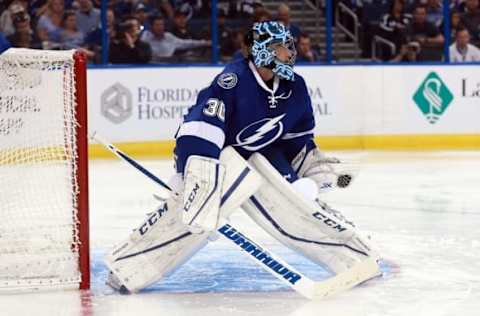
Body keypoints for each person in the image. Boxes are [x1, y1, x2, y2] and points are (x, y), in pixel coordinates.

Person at [105, 21, 380, 294]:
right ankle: (127, 268)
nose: (290, 53)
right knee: (192, 209)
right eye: (282, 47)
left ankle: (354, 256)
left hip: (266, 155)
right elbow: (200, 128)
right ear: (263, 51)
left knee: (296, 204)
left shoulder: (296, 87)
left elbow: (297, 140)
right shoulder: (233, 81)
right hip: (220, 158)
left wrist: (302, 179)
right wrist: (188, 175)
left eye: (289, 46)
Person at [140, 15, 210, 62]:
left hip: (169, 65)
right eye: (157, 25)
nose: (160, 27)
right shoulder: (146, 36)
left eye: (162, 25)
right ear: (151, 27)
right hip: (152, 66)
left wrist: (204, 42)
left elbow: (186, 43)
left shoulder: (168, 37)